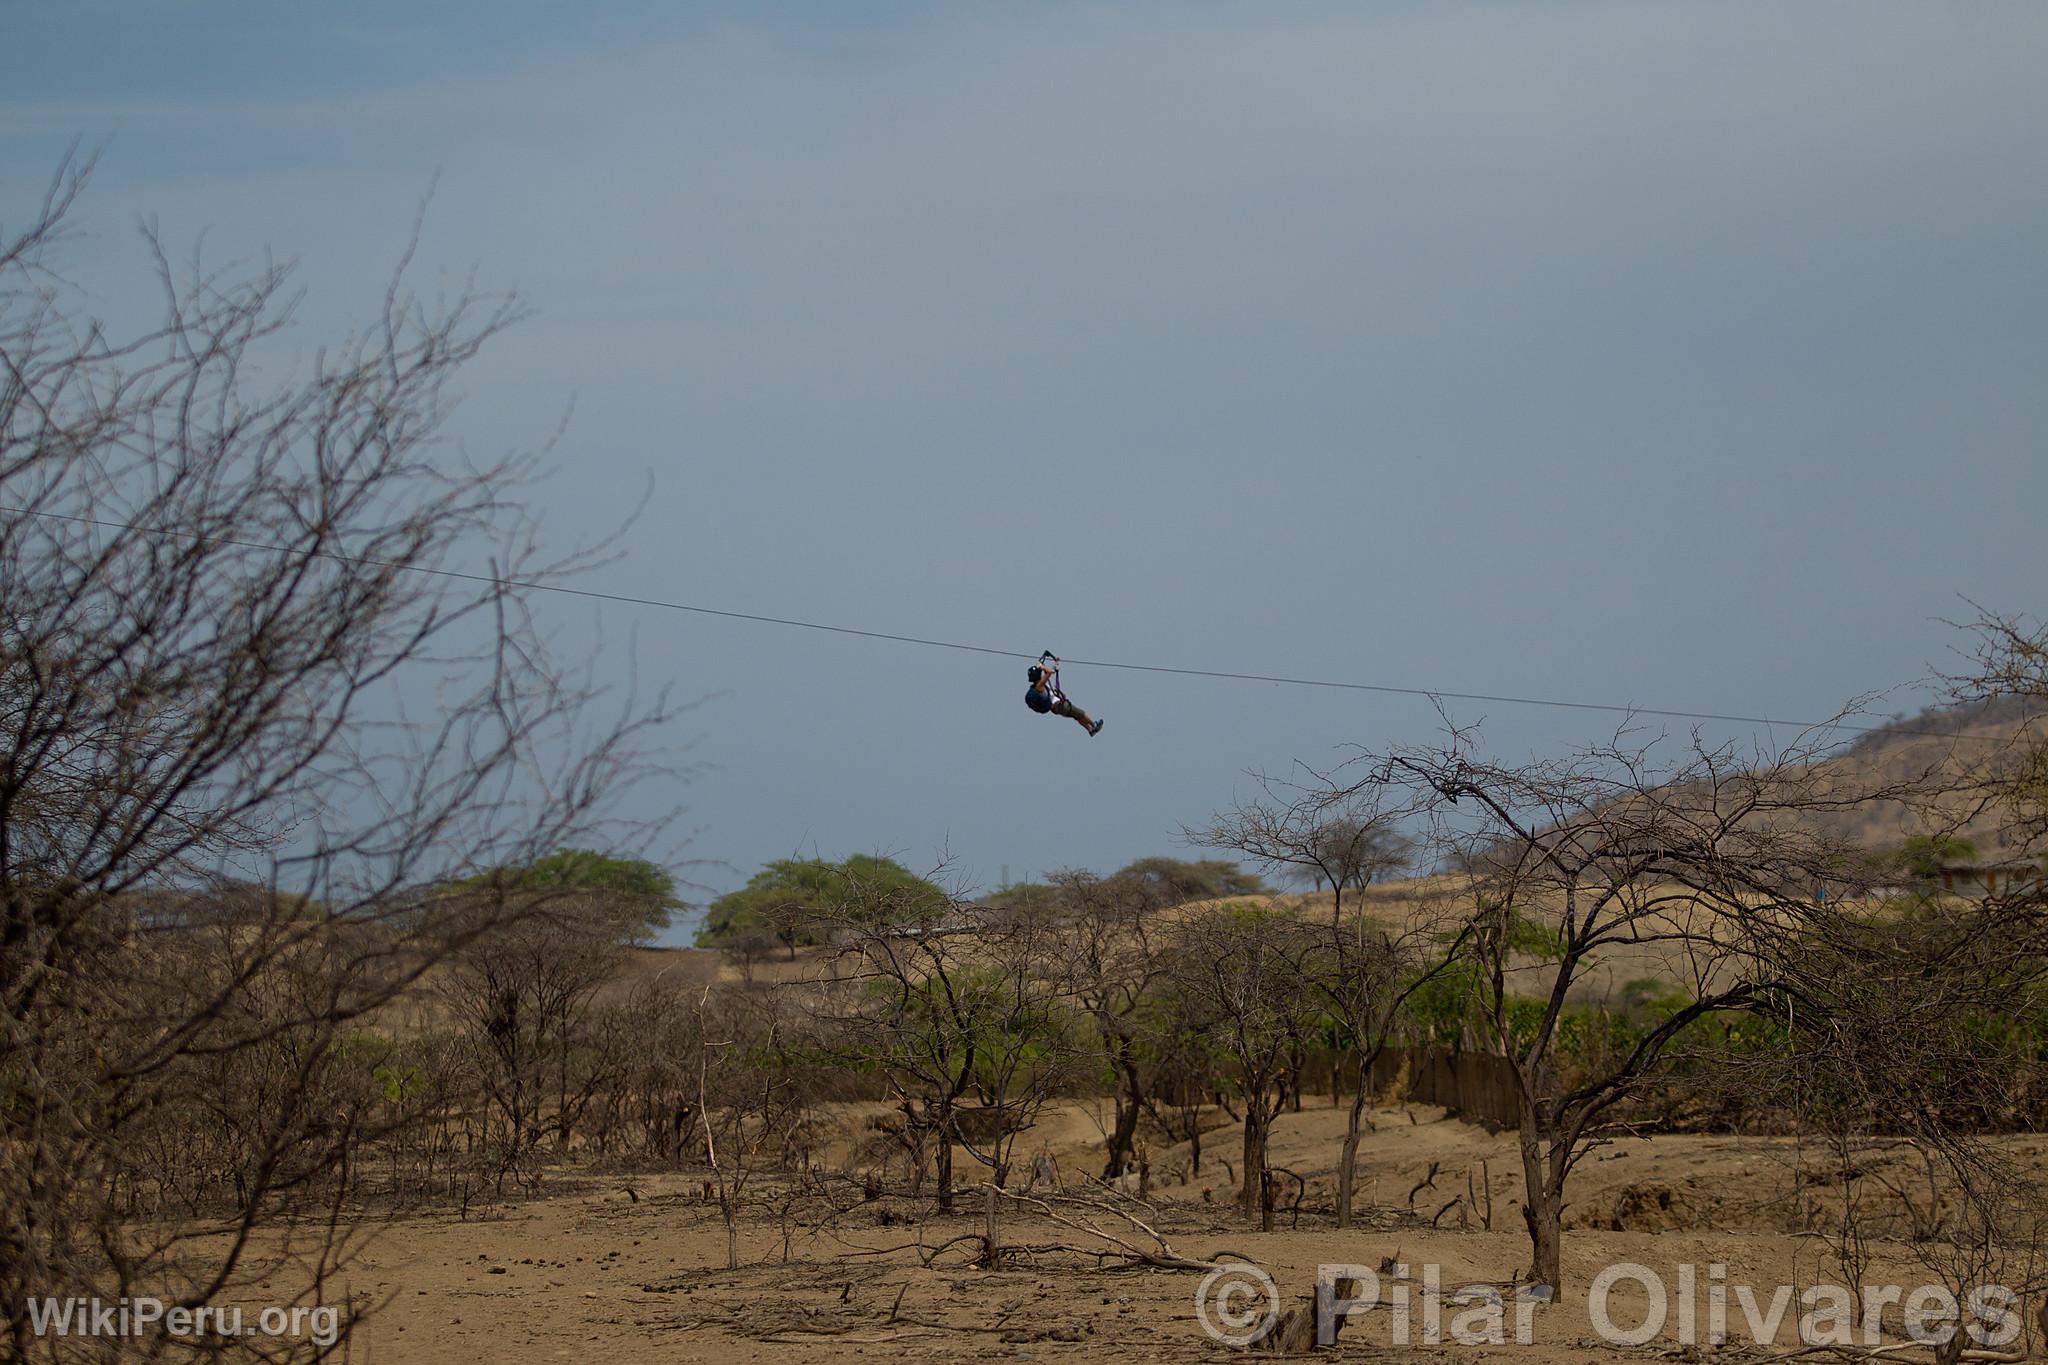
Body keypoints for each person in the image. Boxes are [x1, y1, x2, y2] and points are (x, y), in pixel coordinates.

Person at [1024, 652, 1104, 736]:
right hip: (1059, 705)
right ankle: (1093, 724)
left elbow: (1048, 671)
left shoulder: (1041, 683)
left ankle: (1090, 729)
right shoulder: (1039, 686)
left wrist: (1054, 663)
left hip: (1057, 708)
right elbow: (1050, 672)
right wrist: (1041, 666)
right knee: (1081, 713)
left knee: (1077, 716)